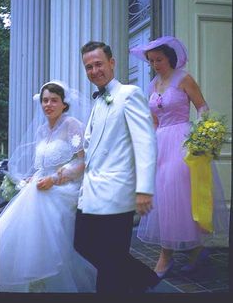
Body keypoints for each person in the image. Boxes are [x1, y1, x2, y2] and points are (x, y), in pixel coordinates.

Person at [130, 36, 229, 277]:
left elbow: (202, 107)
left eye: (159, 59)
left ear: (170, 58)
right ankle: (196, 250)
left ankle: (166, 256)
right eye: (151, 61)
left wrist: (203, 136)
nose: (155, 64)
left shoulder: (184, 78)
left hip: (183, 141)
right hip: (160, 142)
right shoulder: (153, 85)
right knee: (165, 196)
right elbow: (153, 119)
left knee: (176, 191)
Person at [74, 41, 160, 293]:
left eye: (98, 64)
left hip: (116, 192)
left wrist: (144, 189)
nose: (94, 70)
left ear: (112, 63)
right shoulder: (98, 102)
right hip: (90, 192)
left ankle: (127, 286)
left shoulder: (129, 94)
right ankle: (145, 279)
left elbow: (145, 143)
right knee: (82, 244)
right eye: (88, 67)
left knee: (110, 260)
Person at [0, 80, 97, 293]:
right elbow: (41, 166)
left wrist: (55, 179)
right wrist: (29, 180)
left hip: (66, 187)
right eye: (45, 100)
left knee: (39, 205)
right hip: (42, 185)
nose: (48, 105)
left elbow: (83, 161)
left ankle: (47, 279)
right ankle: (32, 279)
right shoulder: (42, 130)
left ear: (64, 104)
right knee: (24, 207)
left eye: (54, 100)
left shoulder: (72, 125)